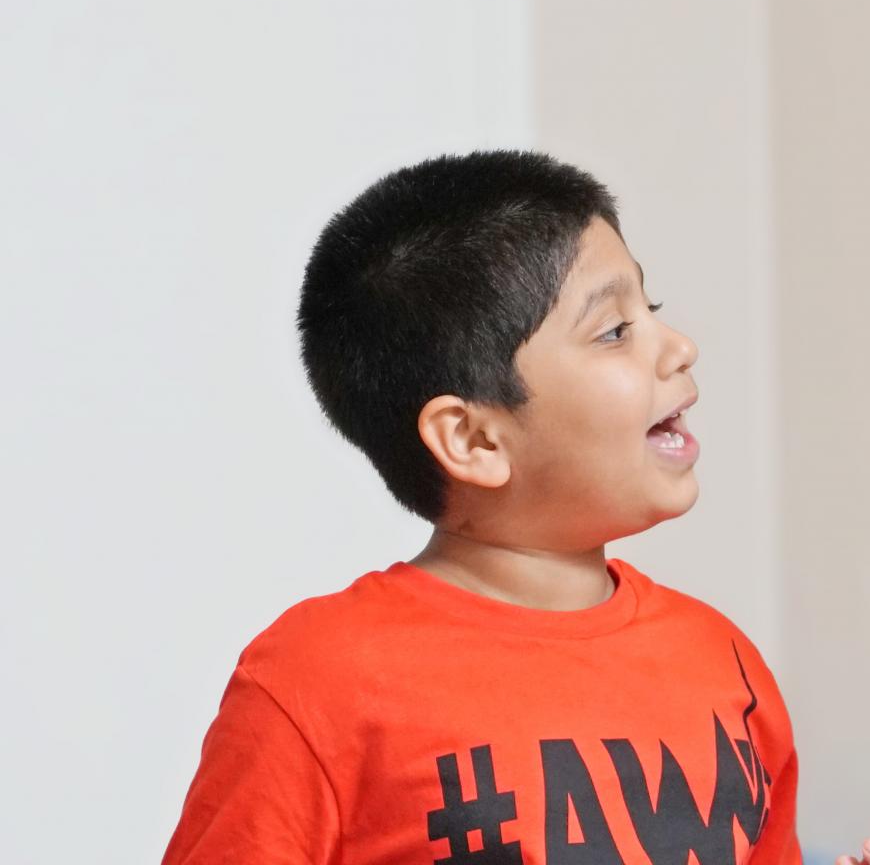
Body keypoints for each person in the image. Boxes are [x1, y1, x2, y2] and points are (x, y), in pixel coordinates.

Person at [161, 151, 800, 865]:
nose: (680, 347)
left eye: (648, 310)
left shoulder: (723, 659)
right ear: (472, 439)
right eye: (614, 331)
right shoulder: (316, 681)